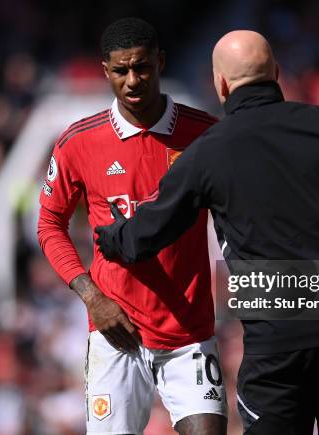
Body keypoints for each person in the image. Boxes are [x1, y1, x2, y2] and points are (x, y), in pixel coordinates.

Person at [94, 30, 319, 434]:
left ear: (220, 83)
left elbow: (148, 234)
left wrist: (111, 235)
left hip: (280, 338)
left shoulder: (208, 151)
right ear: (277, 74)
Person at [37, 18, 227, 435]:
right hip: (115, 330)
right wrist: (91, 297)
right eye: (121, 71)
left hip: (188, 332)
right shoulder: (78, 142)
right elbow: (50, 225)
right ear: (105, 71)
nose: (132, 80)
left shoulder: (205, 135)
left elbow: (237, 215)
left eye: (141, 67)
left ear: (160, 62)